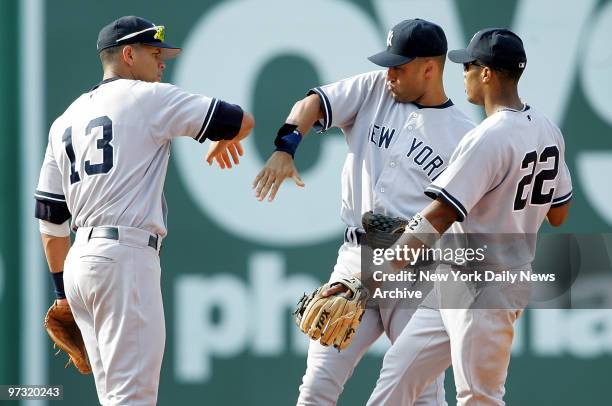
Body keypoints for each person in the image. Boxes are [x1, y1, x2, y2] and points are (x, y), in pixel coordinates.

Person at [253, 19, 475, 405]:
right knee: (317, 386)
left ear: (429, 68)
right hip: (356, 257)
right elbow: (311, 104)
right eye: (387, 63)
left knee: (420, 395)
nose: (389, 73)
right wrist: (285, 147)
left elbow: (462, 220)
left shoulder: (463, 135)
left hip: (416, 272)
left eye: (399, 66)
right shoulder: (374, 89)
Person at [34, 16, 254, 405]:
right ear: (129, 55)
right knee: (132, 399)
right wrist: (226, 137)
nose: (163, 62)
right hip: (124, 259)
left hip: (80, 266)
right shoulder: (147, 96)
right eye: (155, 53)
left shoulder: (64, 120)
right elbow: (239, 119)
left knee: (116, 399)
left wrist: (61, 293)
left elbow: (51, 223)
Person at [366, 28, 572, 405]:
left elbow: (438, 215)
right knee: (395, 385)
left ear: (488, 73)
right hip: (459, 279)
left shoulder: (488, 136)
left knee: (479, 398)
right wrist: (512, 208)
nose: (463, 73)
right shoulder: (547, 129)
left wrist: (374, 278)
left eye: (468, 66)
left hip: (486, 288)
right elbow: (559, 213)